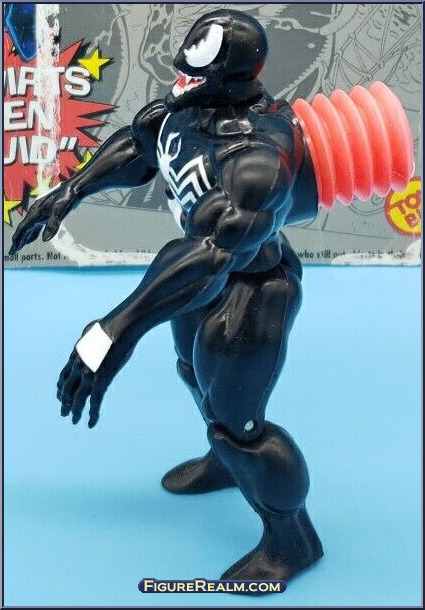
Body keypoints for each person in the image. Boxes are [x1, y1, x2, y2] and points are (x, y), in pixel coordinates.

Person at [10, 9, 323, 584]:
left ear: (231, 78)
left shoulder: (260, 157)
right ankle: (223, 465)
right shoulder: (184, 112)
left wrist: (114, 330)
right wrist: (68, 193)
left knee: (240, 426)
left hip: (254, 287)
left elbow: (212, 251)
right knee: (191, 372)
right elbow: (140, 149)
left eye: (196, 73)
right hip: (199, 273)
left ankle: (292, 540)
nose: (180, 79)